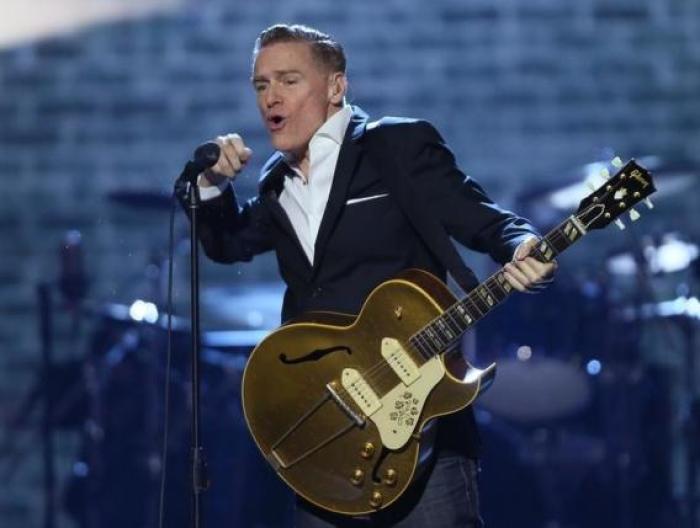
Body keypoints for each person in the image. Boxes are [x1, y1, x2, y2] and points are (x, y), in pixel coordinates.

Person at [184, 23, 556, 528]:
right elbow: (227, 244)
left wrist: (523, 245)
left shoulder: (395, 147)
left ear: (336, 87)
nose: (271, 96)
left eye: (288, 80)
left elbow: (484, 220)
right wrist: (209, 184)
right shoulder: (276, 181)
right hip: (330, 435)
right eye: (261, 84)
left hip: (420, 424)